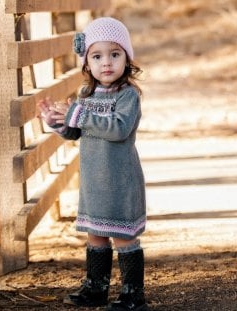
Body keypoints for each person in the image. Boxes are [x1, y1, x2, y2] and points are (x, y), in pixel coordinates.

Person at [37, 17, 149, 311]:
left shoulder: (128, 96)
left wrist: (79, 115)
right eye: (97, 56)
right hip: (94, 181)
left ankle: (132, 294)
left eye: (115, 54)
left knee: (123, 235)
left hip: (121, 180)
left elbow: (118, 128)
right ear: (87, 63)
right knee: (96, 234)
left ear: (127, 57)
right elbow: (76, 132)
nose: (106, 63)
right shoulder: (86, 95)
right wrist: (57, 123)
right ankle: (96, 288)